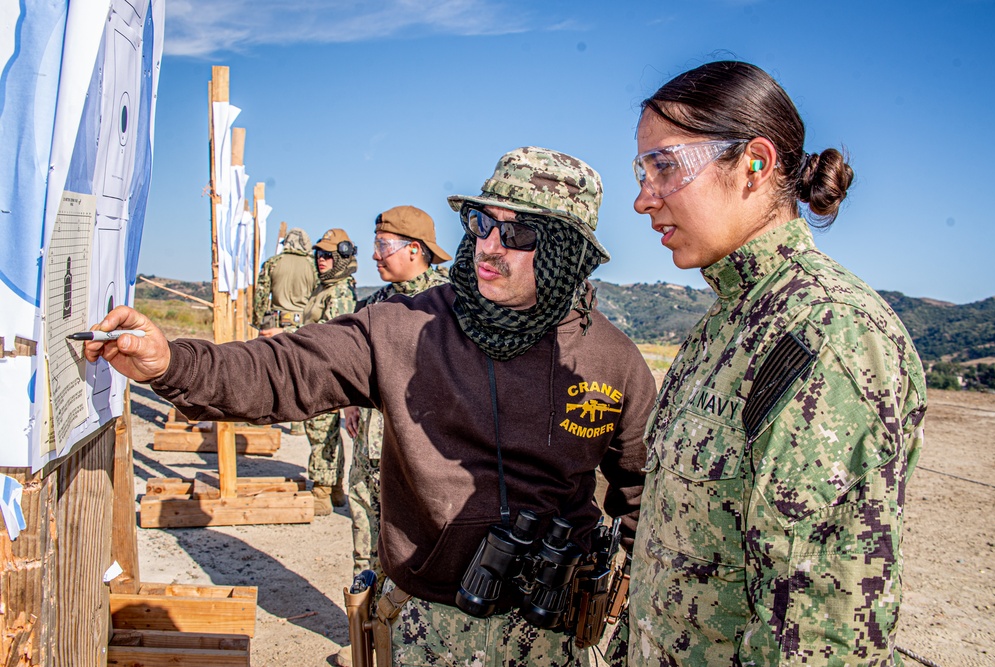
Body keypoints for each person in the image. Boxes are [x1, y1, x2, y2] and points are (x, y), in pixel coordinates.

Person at [85, 146, 656, 666]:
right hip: (427, 630)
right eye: (481, 223)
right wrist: (172, 364)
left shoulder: (614, 361)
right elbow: (285, 370)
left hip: (554, 640)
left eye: (518, 234)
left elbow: (643, 502)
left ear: (566, 251)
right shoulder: (406, 328)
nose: (489, 245)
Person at [628, 60, 927, 666]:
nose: (642, 199)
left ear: (755, 164)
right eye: (642, 170)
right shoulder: (727, 324)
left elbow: (821, 638)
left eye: (665, 165)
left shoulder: (828, 332)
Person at [342, 205, 450, 576]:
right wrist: (351, 403)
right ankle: (365, 628)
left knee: (411, 557)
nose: (374, 254)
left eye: (383, 244)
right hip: (367, 455)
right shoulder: (376, 304)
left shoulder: (449, 305)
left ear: (415, 249)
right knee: (365, 553)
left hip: (415, 459)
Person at [302, 228, 359, 514]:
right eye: (318, 254)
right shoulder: (326, 286)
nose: (321, 260)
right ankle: (333, 488)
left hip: (325, 371)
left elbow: (335, 337)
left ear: (342, 257)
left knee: (321, 430)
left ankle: (322, 492)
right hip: (317, 368)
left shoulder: (338, 290)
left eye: (327, 255)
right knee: (322, 431)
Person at [252, 227, 318, 337]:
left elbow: (261, 297)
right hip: (302, 324)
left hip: (274, 323)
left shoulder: (272, 263)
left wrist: (258, 322)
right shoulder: (314, 266)